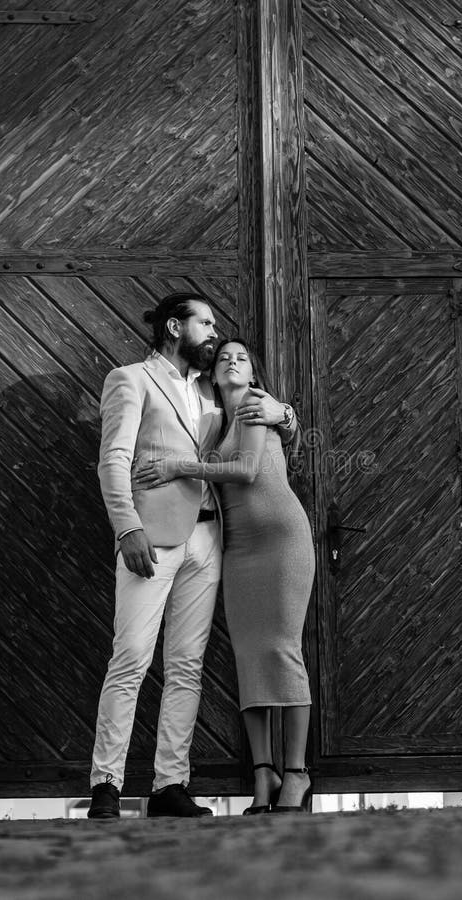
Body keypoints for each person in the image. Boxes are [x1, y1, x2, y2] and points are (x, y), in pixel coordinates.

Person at [87, 294, 297, 819]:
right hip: (150, 539)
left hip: (209, 541)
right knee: (131, 658)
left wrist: (286, 414)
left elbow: (265, 427)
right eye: (205, 322)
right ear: (175, 326)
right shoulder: (131, 379)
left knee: (187, 667)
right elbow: (112, 460)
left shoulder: (211, 390)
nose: (213, 332)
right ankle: (107, 784)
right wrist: (126, 527)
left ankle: (169, 785)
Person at [135, 338, 315, 813]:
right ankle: (264, 774)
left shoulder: (258, 405)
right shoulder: (215, 426)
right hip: (238, 549)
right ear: (211, 375)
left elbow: (250, 469)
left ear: (253, 374)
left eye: (242, 358)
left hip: (281, 540)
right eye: (222, 358)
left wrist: (178, 465)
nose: (231, 361)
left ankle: (296, 773)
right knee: (249, 659)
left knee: (282, 650)